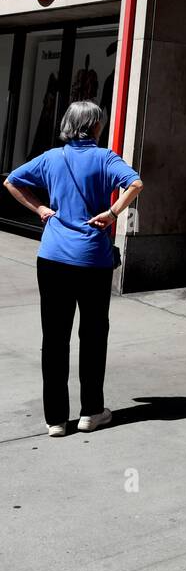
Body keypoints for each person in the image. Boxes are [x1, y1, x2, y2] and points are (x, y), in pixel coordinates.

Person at [3, 100, 143, 438]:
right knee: (93, 335)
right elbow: (135, 184)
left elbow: (11, 181)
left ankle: (55, 420)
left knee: (54, 337)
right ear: (95, 126)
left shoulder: (52, 157)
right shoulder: (106, 158)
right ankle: (91, 412)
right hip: (93, 260)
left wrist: (39, 209)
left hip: (52, 259)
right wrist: (112, 214)